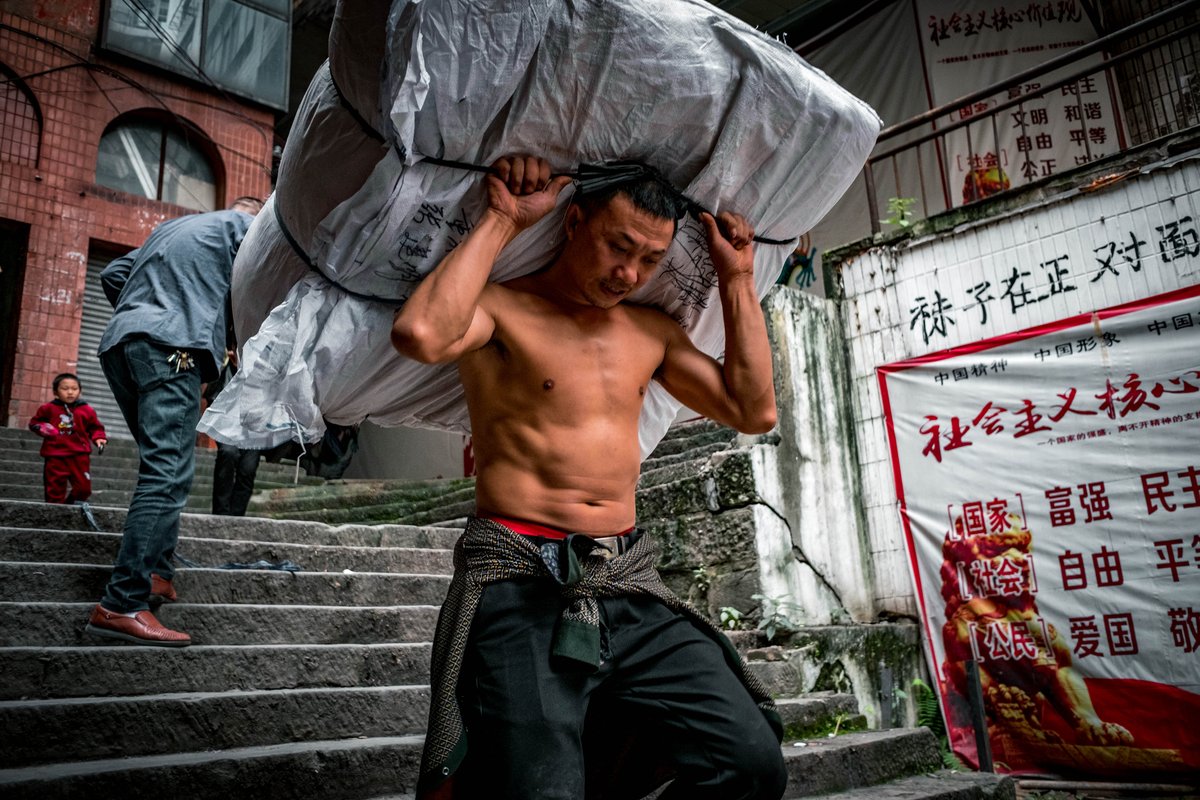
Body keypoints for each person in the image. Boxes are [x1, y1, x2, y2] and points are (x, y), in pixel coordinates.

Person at [392, 156, 787, 799]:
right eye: (618, 246)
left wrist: (737, 277)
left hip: (626, 582)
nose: (629, 273)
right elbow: (420, 332)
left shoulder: (649, 331)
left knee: (751, 762)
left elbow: (752, 409)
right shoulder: (503, 311)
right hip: (520, 586)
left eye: (651, 260)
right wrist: (502, 219)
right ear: (575, 221)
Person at [85, 197, 263, 647]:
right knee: (167, 473)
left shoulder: (170, 232)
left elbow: (113, 274)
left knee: (165, 464)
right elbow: (259, 295)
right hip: (172, 349)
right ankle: (122, 602)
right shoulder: (249, 229)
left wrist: (144, 317)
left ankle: (157, 573)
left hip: (123, 346)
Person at [28, 372, 107, 504]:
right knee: (54, 490)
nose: (70, 392)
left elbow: (95, 427)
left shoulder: (87, 410)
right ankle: (56, 513)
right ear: (55, 392)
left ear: (80, 391)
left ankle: (68, 507)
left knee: (84, 489)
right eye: (65, 389)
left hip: (79, 456)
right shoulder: (48, 408)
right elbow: (34, 423)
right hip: (55, 455)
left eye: (74, 389)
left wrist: (99, 438)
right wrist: (41, 428)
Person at [206, 348, 262, 516]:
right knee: (228, 453)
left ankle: (236, 517)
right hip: (227, 420)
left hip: (254, 424)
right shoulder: (225, 365)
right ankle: (221, 514)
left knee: (248, 468)